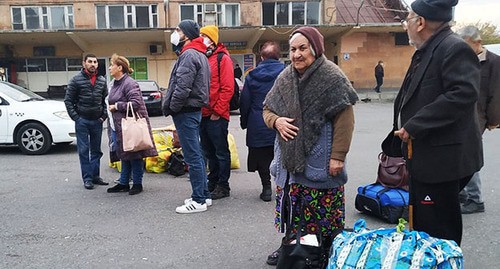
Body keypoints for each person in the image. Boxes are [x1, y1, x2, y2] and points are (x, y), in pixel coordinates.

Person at [387, 0, 483, 246]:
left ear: (420, 23)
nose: (405, 25)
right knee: (424, 224)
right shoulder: (429, 48)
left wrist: (414, 125)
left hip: (442, 161)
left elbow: (462, 94)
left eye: (407, 19)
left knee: (439, 232)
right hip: (426, 157)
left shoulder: (453, 48)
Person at [263, 27, 357, 266]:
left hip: (320, 159)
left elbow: (345, 119)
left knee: (323, 214)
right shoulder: (284, 77)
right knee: (294, 212)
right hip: (289, 163)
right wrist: (277, 121)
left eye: (302, 48)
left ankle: (327, 253)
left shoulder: (332, 77)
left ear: (315, 48)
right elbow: (267, 109)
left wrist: (338, 156)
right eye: (293, 49)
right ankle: (295, 249)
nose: (296, 54)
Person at [163, 20, 212, 213]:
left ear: (187, 35)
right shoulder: (198, 53)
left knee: (192, 156)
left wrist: (173, 107)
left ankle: (198, 200)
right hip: (193, 110)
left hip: (186, 111)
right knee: (197, 154)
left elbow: (182, 87)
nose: (175, 33)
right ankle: (204, 195)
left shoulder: (189, 54)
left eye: (178, 30)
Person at [457, 25, 500, 214]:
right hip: (460, 115)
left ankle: (476, 199)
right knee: (459, 155)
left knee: (470, 156)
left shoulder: (494, 62)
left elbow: (497, 94)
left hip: (478, 117)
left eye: (466, 45)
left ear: (478, 42)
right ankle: (464, 193)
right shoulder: (463, 59)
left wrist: (493, 120)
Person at [106, 54, 157, 195]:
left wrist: (116, 106)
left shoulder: (129, 83)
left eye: (112, 65)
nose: (110, 67)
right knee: (124, 154)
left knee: (134, 154)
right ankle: (123, 183)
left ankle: (137, 183)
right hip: (118, 125)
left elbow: (136, 103)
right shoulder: (115, 83)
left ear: (120, 67)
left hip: (129, 126)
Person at [240, 41, 284, 202]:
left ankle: (266, 189)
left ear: (262, 57)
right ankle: (282, 188)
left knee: (262, 159)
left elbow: (245, 101)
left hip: (258, 122)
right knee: (283, 158)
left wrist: (244, 122)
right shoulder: (287, 73)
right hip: (282, 122)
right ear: (278, 56)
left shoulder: (252, 75)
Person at [199, 25, 234, 200]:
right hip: (203, 114)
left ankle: (223, 185)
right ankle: (212, 182)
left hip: (216, 116)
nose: (201, 39)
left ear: (212, 39)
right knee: (209, 153)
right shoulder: (205, 58)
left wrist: (217, 112)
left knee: (221, 152)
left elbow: (228, 88)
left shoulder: (222, 58)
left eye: (203, 36)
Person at [64, 54, 109, 190]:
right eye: (90, 62)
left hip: (97, 121)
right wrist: (76, 118)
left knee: (96, 150)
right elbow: (68, 100)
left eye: (95, 62)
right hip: (82, 120)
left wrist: (103, 116)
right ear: (84, 64)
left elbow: (106, 100)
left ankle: (95, 176)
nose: (93, 64)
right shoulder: (76, 80)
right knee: (83, 150)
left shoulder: (102, 80)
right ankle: (87, 179)